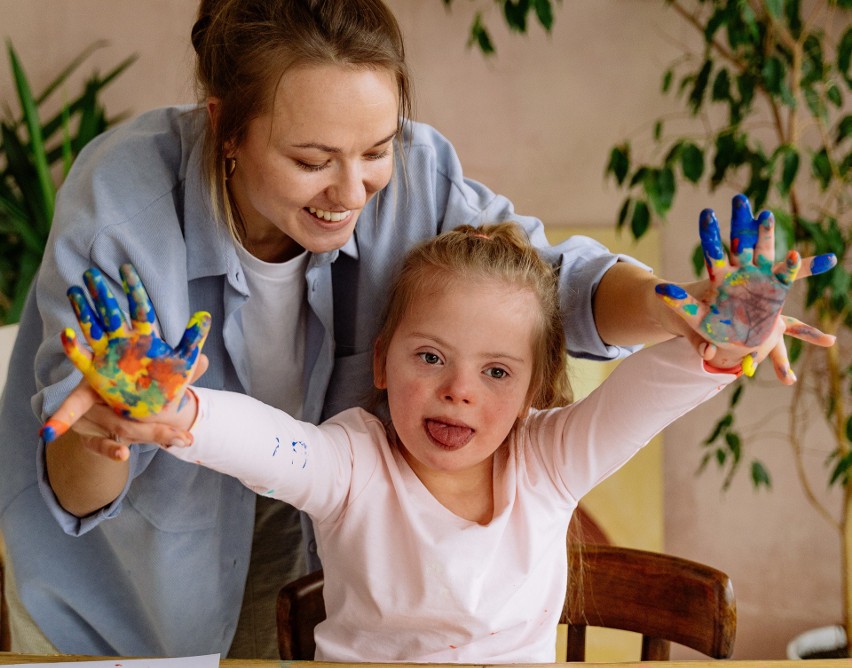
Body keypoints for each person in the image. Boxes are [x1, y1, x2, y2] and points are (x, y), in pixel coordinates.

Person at [0, 0, 825, 656]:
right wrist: (128, 421)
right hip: (137, 588)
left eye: (375, 150)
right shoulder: (124, 208)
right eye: (312, 159)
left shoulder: (535, 449)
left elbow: (547, 288)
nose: (352, 191)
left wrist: (694, 317)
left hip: (309, 542)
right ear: (226, 127)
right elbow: (87, 484)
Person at [43, 213, 834, 663]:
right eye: (431, 357)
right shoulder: (354, 461)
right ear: (381, 362)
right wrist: (182, 413)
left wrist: (719, 345)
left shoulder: (548, 460)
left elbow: (643, 398)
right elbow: (273, 446)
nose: (459, 388)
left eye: (497, 372)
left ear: (535, 387)